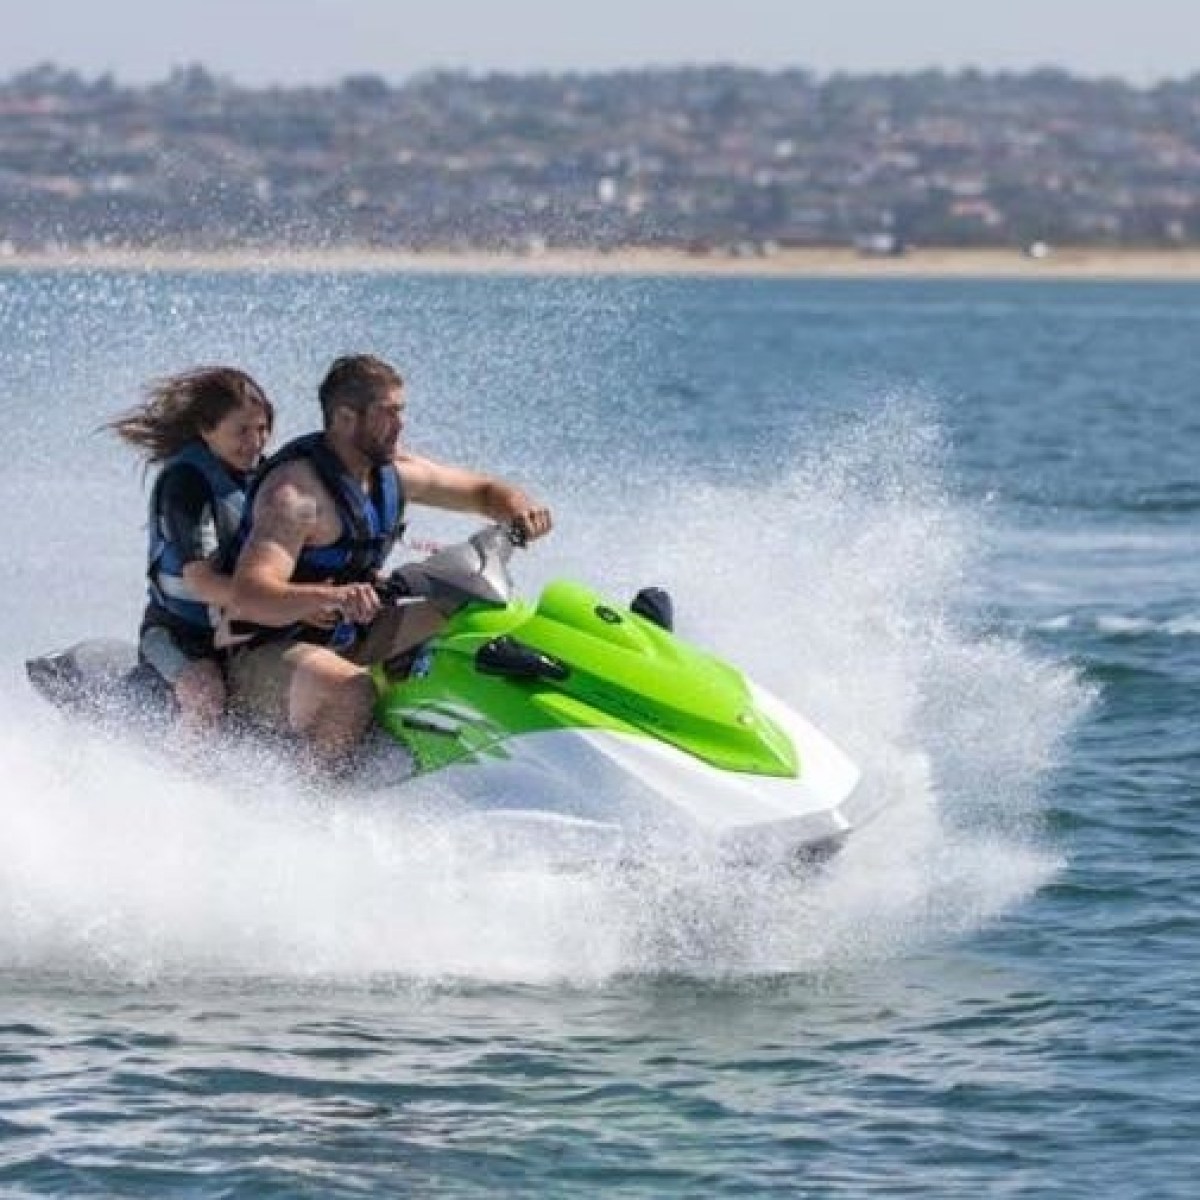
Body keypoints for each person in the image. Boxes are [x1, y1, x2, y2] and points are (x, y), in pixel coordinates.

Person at [223, 353, 552, 765]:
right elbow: (249, 596)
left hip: (352, 634)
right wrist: (332, 598)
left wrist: (519, 511)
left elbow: (483, 491)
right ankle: (308, 802)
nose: (400, 425)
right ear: (345, 418)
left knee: (470, 618)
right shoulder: (293, 496)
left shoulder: (394, 472)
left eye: (402, 411)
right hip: (266, 653)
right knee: (353, 691)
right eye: (387, 413)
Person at [108, 367, 275, 729]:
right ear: (206, 429)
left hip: (245, 630)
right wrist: (275, 602)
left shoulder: (271, 479)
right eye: (242, 431)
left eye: (262, 429)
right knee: (206, 697)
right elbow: (202, 583)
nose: (256, 441)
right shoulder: (186, 484)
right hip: (179, 633)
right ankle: (179, 783)